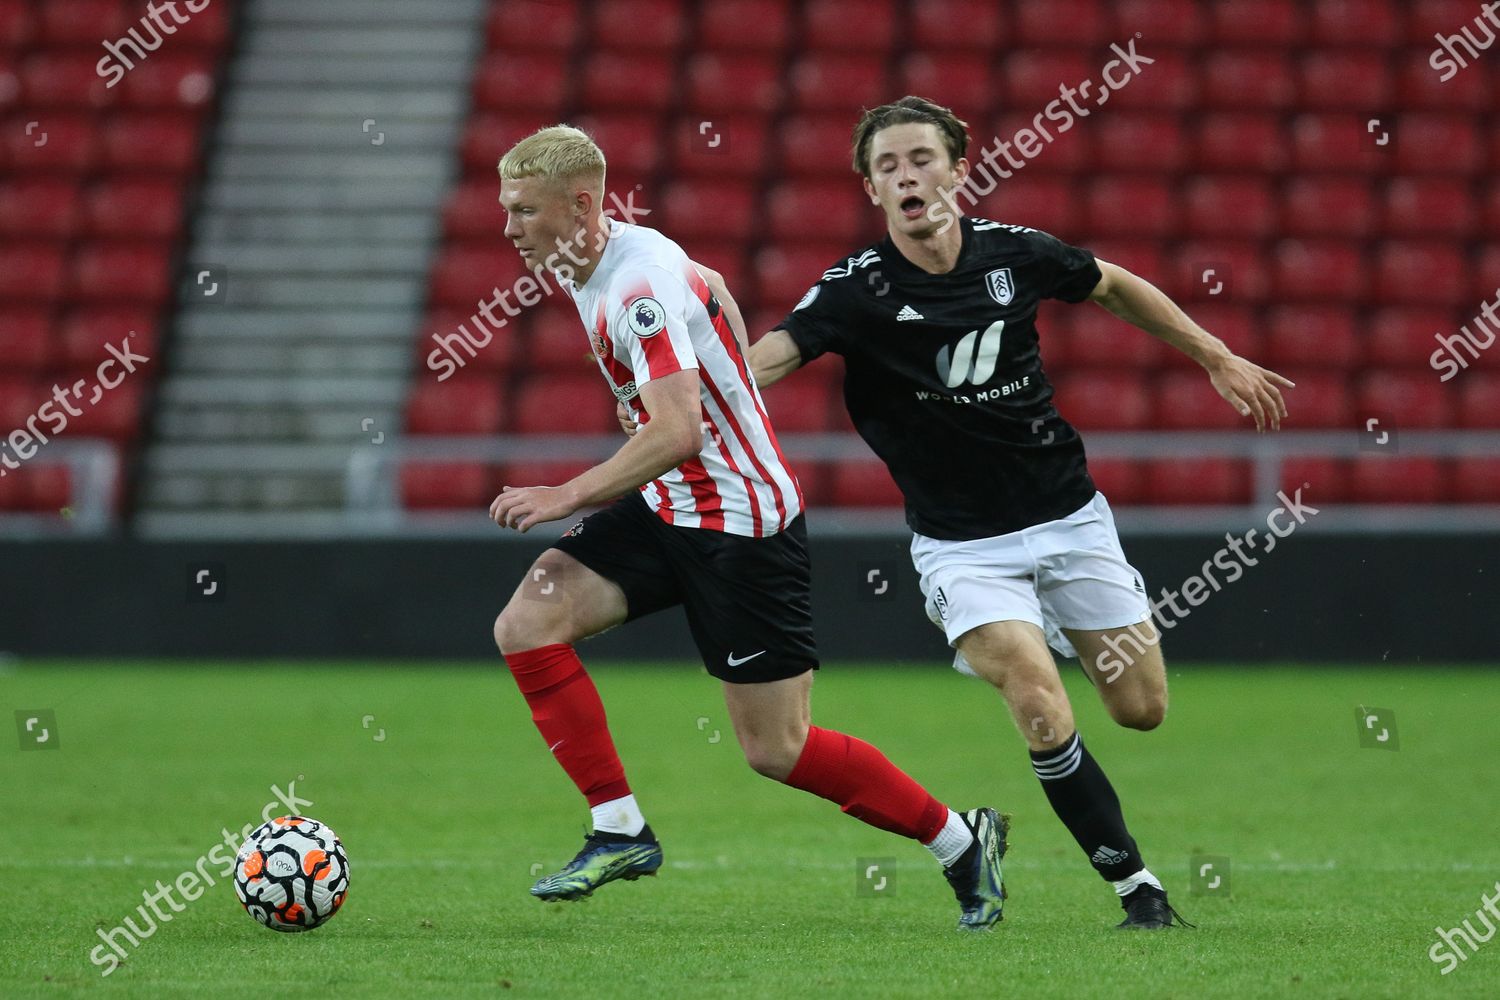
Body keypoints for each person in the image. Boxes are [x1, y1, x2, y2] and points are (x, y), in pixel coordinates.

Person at [732, 96, 1293, 929]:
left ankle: (1054, 627)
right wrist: (695, 394)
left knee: (1141, 709)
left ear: (958, 168)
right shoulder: (855, 292)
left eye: (921, 158)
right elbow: (770, 357)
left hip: (1070, 519)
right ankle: (1140, 895)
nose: (906, 176)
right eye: (888, 167)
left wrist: (1212, 353)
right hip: (963, 547)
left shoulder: (1017, 254)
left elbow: (1111, 285)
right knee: (1037, 700)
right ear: (872, 191)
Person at [488, 125, 1007, 930]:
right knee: (529, 621)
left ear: (581, 205)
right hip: (671, 505)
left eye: (523, 211)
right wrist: (731, 365)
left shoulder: (635, 287)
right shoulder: (608, 249)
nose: (510, 227)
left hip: (738, 523)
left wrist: (569, 493)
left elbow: (677, 432)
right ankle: (619, 827)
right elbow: (716, 283)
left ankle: (960, 841)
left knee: (778, 750)